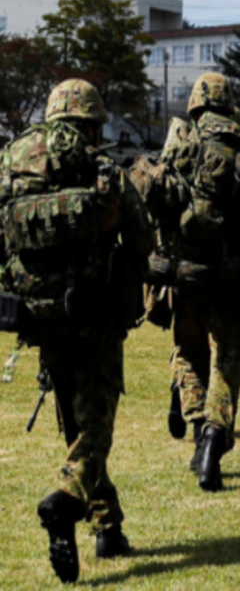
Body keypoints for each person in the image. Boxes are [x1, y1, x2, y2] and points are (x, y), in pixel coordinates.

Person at [0, 79, 154, 583]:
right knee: (97, 424)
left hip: (32, 313)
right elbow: (140, 237)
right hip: (91, 313)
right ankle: (65, 502)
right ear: (89, 123)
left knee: (74, 417)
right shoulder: (99, 167)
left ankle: (106, 529)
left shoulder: (11, 160)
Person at [140, 72, 240, 492]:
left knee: (188, 353)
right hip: (235, 274)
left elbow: (158, 198)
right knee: (228, 358)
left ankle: (199, 427)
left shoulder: (181, 137)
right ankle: (215, 437)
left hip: (186, 272)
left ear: (196, 104)